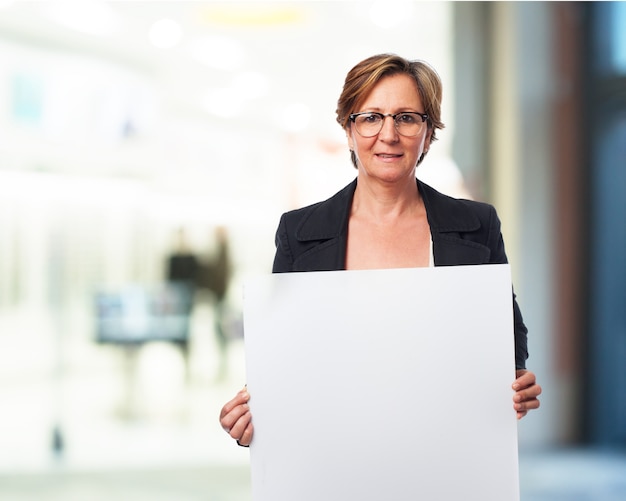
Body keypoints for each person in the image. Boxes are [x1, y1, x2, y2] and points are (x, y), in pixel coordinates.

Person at [220, 54, 541, 447]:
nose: (388, 134)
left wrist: (515, 377)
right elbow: (284, 357)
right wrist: (254, 415)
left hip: (447, 450)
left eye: (406, 117)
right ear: (348, 129)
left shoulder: (478, 225)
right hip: (339, 451)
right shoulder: (299, 233)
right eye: (371, 117)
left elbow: (506, 331)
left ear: (429, 132)